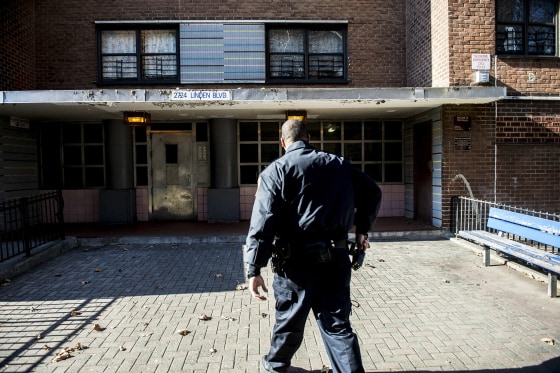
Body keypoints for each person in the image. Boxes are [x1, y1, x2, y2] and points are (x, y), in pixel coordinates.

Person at [244, 119, 382, 373]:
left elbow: (262, 223)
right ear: (308, 138)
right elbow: (372, 192)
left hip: (296, 263)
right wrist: (362, 229)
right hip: (336, 256)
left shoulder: (276, 171)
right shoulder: (339, 164)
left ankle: (276, 366)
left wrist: (254, 268)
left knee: (289, 321)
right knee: (337, 325)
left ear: (283, 142)